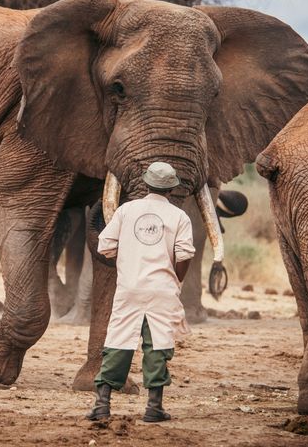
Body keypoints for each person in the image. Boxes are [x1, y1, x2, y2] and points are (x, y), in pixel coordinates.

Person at [86, 161, 195, 423]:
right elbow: (184, 255)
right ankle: (153, 408)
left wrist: (130, 261)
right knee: (158, 345)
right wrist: (175, 280)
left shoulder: (126, 210)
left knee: (118, 341)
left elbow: (105, 246)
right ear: (171, 189)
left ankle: (102, 405)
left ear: (145, 184)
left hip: (129, 287)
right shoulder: (179, 217)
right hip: (163, 289)